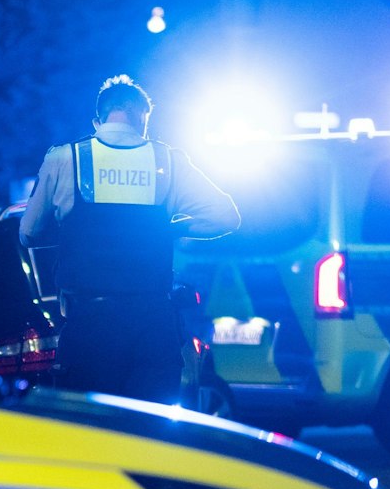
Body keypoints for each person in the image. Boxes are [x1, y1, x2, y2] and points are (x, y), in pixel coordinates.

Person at [20, 75, 239, 403]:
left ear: (99, 120)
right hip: (152, 324)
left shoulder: (65, 158)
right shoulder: (167, 161)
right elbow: (226, 216)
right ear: (142, 118)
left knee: (89, 426)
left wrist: (71, 232)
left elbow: (28, 233)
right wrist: (172, 228)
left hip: (89, 325)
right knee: (148, 427)